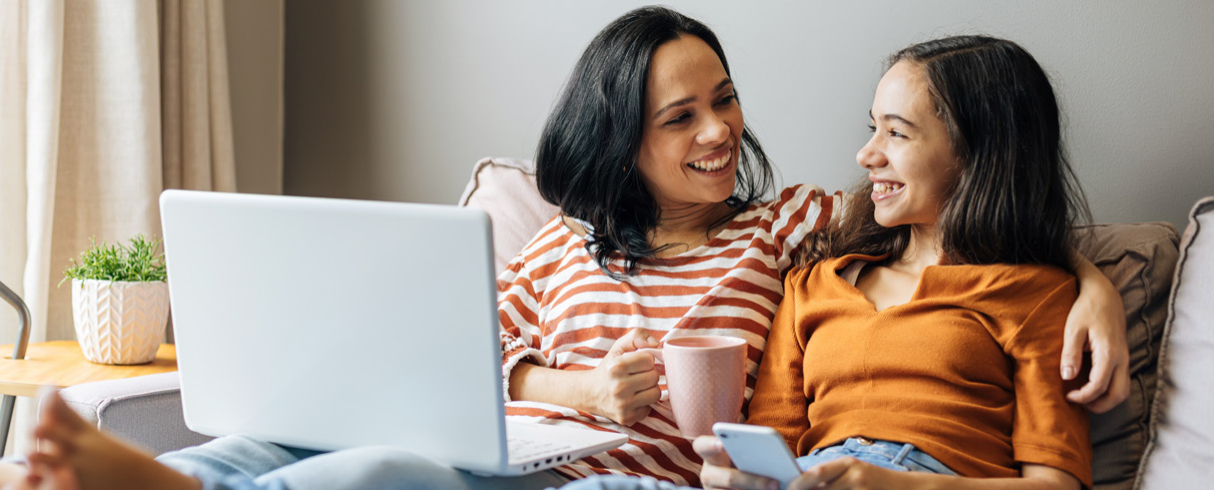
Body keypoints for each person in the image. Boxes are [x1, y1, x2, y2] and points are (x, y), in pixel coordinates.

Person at [1, 8, 1126, 490]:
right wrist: (569, 380)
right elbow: (439, 368)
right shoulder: (553, 255)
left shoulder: (781, 231)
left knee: (397, 472)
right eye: (678, 116)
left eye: (723, 100)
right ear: (618, 143)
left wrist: (1089, 284)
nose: (719, 130)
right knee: (290, 434)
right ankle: (170, 475)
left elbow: (969, 224)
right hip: (519, 460)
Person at [562, 35, 1099, 490]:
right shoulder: (814, 282)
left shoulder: (1038, 296)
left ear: (978, 154)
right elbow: (772, 446)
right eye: (873, 128)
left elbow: (1055, 483)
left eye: (897, 132)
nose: (867, 155)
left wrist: (897, 484)